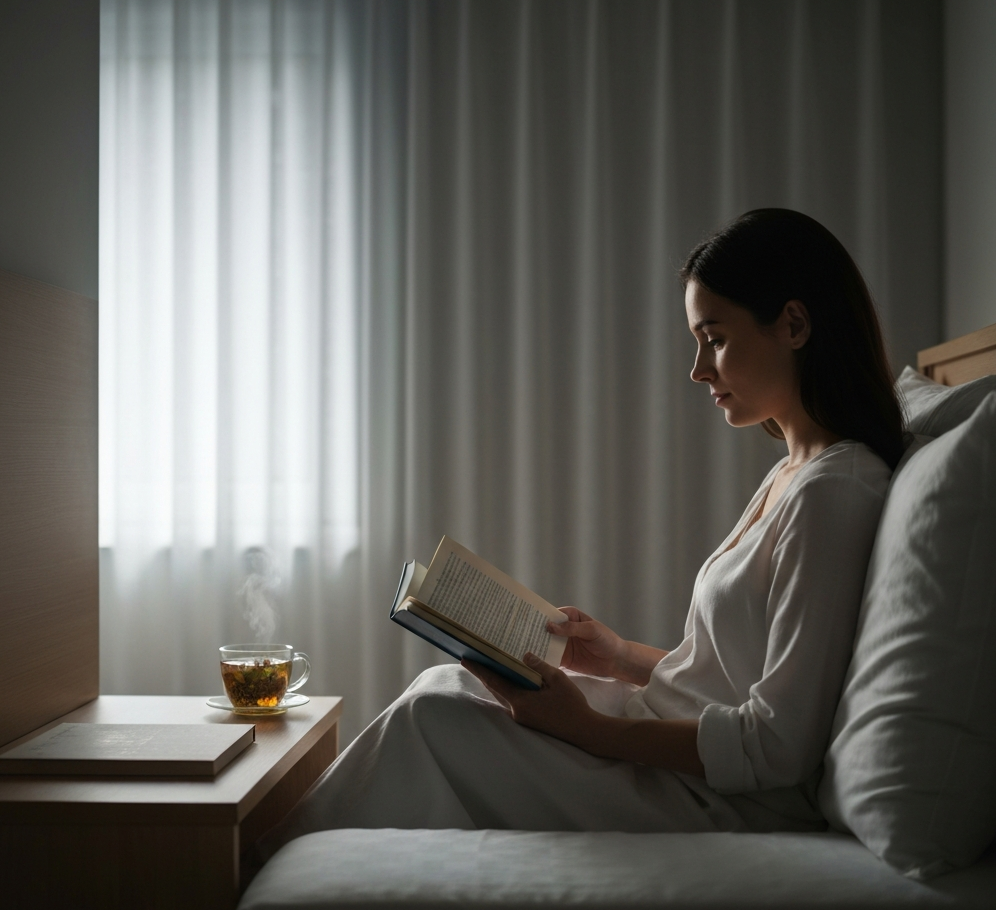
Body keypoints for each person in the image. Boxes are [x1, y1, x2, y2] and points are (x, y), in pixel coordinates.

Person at [266, 208, 905, 847]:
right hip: (669, 746)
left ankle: (258, 882)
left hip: (717, 799)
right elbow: (728, 670)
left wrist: (587, 730)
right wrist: (621, 657)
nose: (697, 369)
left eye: (713, 337)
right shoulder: (795, 472)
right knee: (447, 683)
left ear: (794, 324)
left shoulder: (835, 494)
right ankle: (272, 873)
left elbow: (778, 746)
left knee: (433, 719)